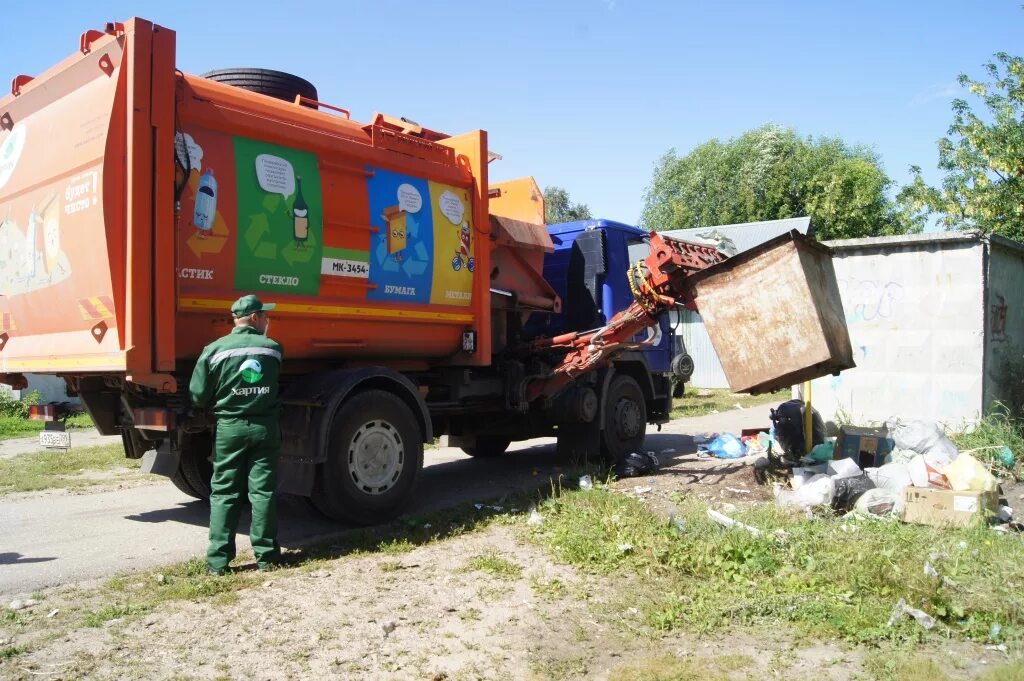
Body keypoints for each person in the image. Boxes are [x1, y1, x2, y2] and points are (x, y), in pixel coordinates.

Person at [189, 294, 284, 575]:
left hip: (229, 428)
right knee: (263, 492)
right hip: (265, 427)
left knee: (225, 493)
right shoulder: (273, 349)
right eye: (265, 315)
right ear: (255, 318)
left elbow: (198, 394)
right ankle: (267, 558)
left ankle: (218, 562)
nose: (267, 320)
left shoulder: (214, 350)